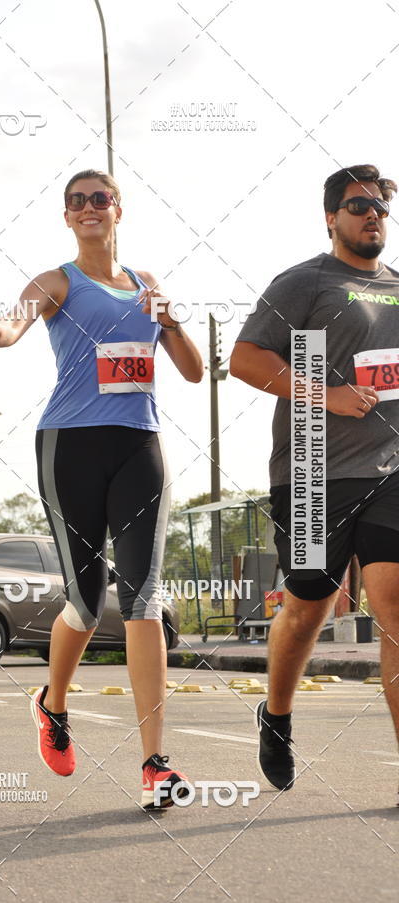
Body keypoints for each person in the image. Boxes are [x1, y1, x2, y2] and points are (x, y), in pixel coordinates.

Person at [0, 169, 204, 809]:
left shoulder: (148, 285)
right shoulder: (56, 282)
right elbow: (17, 324)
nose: (88, 208)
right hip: (69, 446)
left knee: (144, 595)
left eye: (98, 198)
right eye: (76, 202)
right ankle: (53, 702)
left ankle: (155, 762)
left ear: (118, 209)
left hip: (139, 445)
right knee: (86, 594)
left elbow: (193, 370)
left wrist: (171, 320)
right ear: (67, 218)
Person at [230, 164, 399, 796]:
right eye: (358, 206)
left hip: (390, 469)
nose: (372, 215)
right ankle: (276, 715)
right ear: (331, 218)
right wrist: (324, 395)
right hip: (310, 474)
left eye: (381, 205)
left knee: (394, 608)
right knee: (310, 606)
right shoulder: (306, 282)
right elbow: (244, 358)